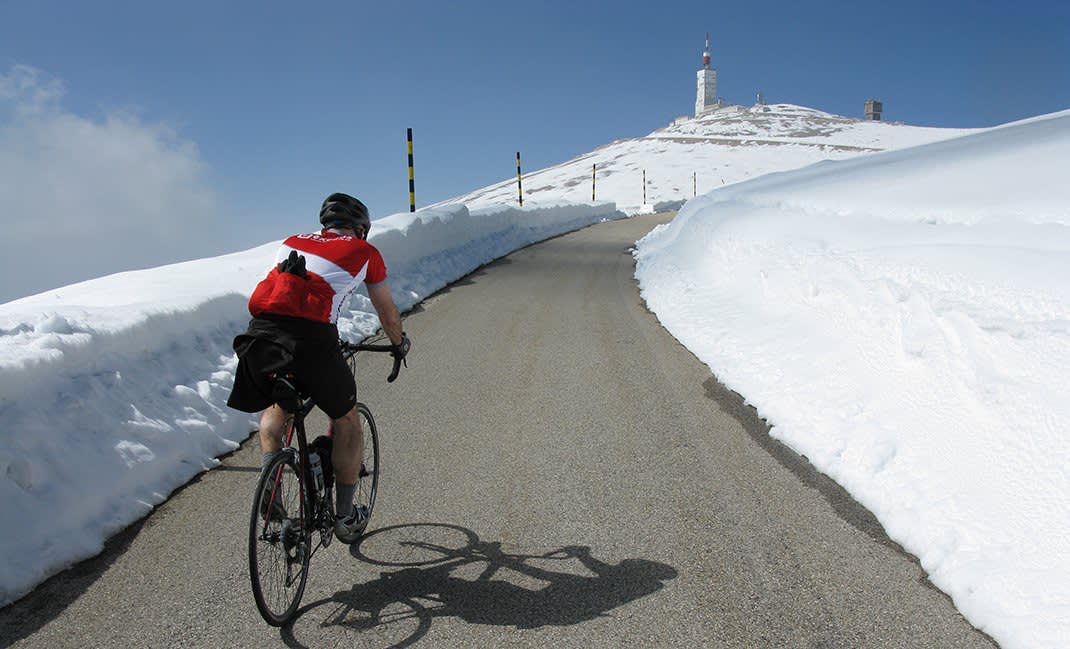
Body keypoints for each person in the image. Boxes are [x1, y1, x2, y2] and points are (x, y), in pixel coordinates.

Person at [227, 192, 410, 543]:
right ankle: (344, 516)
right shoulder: (366, 253)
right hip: (312, 341)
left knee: (279, 407)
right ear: (360, 229)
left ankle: (270, 479)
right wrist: (398, 343)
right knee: (347, 420)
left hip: (261, 336)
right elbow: (386, 311)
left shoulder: (291, 243)